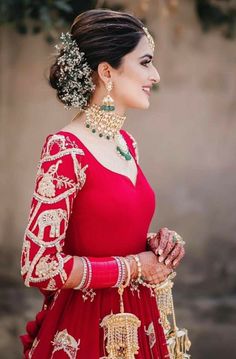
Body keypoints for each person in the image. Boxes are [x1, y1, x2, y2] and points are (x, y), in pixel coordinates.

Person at [20, 9, 186, 359]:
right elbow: (38, 265)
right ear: (107, 72)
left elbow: (104, 229)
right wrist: (137, 266)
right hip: (87, 331)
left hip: (142, 322)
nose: (154, 75)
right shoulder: (65, 149)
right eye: (144, 62)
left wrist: (155, 245)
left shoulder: (126, 144)